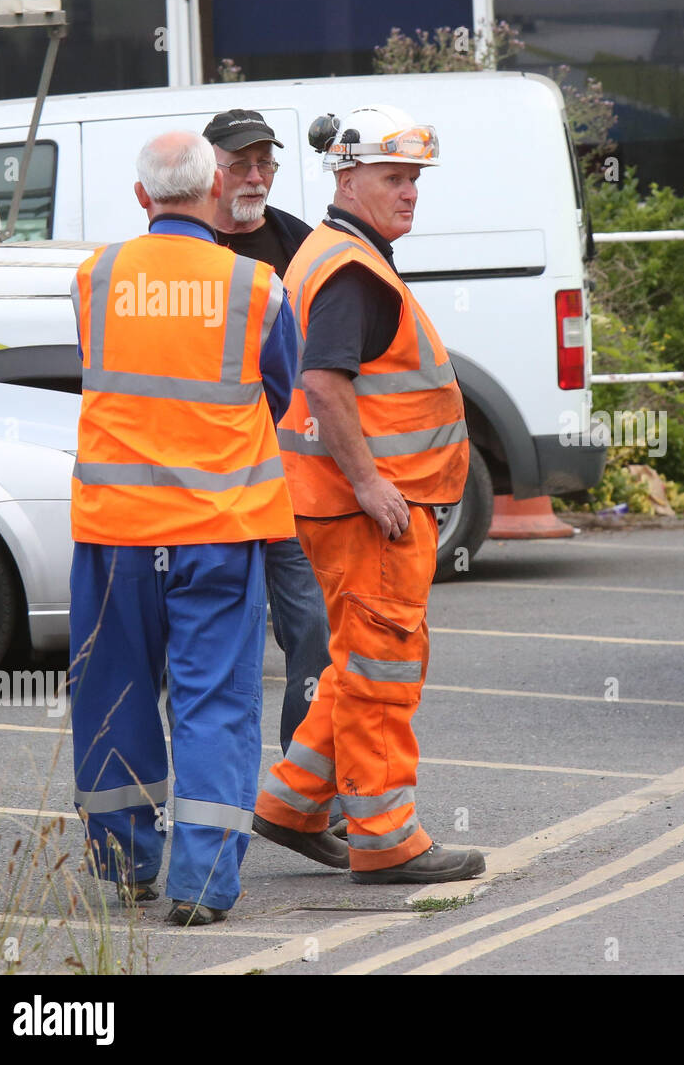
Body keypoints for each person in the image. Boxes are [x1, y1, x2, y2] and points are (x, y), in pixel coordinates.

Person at [68, 130, 298, 926]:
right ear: (210, 195)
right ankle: (200, 886)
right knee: (215, 707)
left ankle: (127, 863)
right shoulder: (258, 287)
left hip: (115, 533)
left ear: (142, 197)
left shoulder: (94, 278)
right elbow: (278, 388)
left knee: (115, 696)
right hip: (219, 531)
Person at [253, 104, 485, 884]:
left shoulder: (334, 253)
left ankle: (291, 802)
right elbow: (323, 380)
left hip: (341, 503)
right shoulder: (352, 268)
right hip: (367, 509)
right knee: (384, 666)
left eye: (415, 178)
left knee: (359, 663)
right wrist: (371, 480)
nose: (410, 192)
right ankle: (384, 837)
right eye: (394, 177)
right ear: (347, 175)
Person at [202, 109, 333, 759]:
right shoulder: (185, 250)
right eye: (240, 164)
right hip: (209, 488)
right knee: (213, 646)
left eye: (265, 163)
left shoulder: (303, 246)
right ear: (210, 172)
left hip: (290, 479)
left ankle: (304, 788)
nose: (255, 177)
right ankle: (205, 790)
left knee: (312, 628)